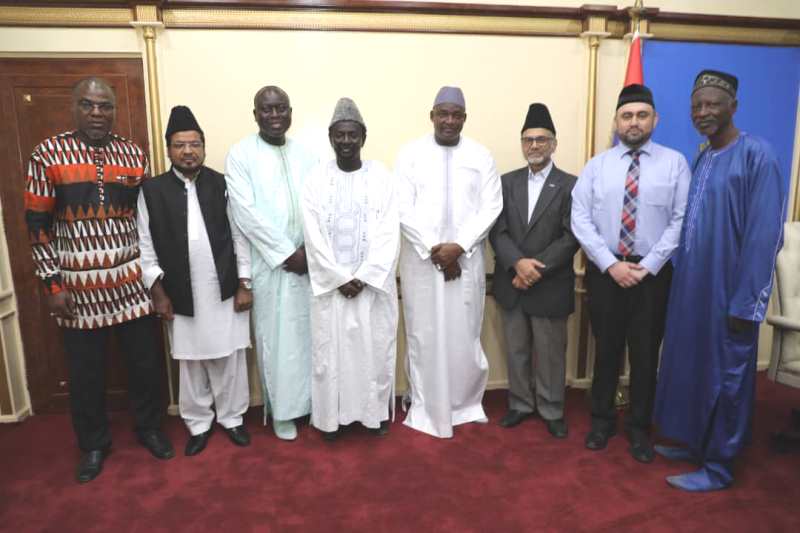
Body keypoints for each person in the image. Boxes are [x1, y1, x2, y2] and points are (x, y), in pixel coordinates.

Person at [23, 77, 173, 483]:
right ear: (75, 108)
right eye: (88, 105)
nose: (96, 113)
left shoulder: (132, 154)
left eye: (104, 106)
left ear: (114, 110)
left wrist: (155, 283)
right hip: (77, 289)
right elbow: (37, 227)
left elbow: (146, 223)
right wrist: (52, 286)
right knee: (86, 373)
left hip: (130, 282)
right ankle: (93, 445)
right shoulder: (47, 153)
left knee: (145, 366)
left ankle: (149, 429)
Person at [653, 70, 788, 491]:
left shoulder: (757, 155)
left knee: (726, 376)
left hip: (731, 293)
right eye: (697, 106)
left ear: (734, 106)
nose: (703, 112)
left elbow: (765, 235)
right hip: (694, 288)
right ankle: (696, 443)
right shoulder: (704, 155)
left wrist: (747, 302)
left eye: (712, 104)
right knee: (694, 369)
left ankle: (719, 466)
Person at [571, 84, 690, 463]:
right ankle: (602, 421)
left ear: (655, 119)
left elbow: (681, 220)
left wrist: (649, 265)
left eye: (641, 115)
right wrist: (611, 264)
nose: (634, 122)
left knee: (644, 353)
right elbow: (581, 219)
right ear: (616, 122)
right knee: (606, 351)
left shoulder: (675, 164)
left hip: (652, 276)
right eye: (627, 115)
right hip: (607, 271)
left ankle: (640, 427)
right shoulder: (597, 166)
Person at [138, 106, 253, 456]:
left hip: (224, 285)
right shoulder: (152, 191)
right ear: (168, 149)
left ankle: (232, 418)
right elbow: (144, 244)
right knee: (191, 361)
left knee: (230, 357)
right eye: (179, 145)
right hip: (179, 291)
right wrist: (157, 291)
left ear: (203, 147)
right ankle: (199, 423)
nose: (188, 151)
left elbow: (240, 235)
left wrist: (245, 282)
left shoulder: (222, 184)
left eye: (194, 144)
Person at [396, 86, 502, 438]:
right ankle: (426, 405)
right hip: (423, 265)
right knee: (424, 334)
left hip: (466, 263)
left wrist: (459, 246)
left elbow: (491, 206)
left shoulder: (481, 155)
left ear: (464, 119)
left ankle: (465, 404)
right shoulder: (410, 154)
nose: (449, 120)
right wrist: (434, 249)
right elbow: (402, 208)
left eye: (456, 115)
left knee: (464, 334)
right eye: (443, 113)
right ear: (432, 116)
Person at [302, 98, 399, 441]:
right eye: (340, 135)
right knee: (330, 355)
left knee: (374, 350)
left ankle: (373, 416)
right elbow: (311, 234)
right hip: (332, 290)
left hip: (370, 288)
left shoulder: (382, 176)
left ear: (363, 137)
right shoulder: (315, 178)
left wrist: (365, 275)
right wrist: (340, 277)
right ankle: (331, 418)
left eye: (352, 135)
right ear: (330, 137)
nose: (346, 141)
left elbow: (390, 231)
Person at [225, 86, 317, 441]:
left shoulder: (307, 154)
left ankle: (309, 404)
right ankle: (282, 411)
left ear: (290, 112)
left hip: (308, 263)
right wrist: (284, 252)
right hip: (271, 264)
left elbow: (318, 205)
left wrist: (310, 252)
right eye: (267, 109)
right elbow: (245, 213)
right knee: (276, 340)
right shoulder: (241, 154)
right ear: (255, 114)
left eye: (281, 108)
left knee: (309, 337)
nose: (275, 115)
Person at [490, 103, 578, 438]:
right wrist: (517, 264)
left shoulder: (570, 184)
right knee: (516, 350)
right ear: (522, 144)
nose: (534, 146)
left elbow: (572, 236)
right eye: (528, 140)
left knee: (551, 352)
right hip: (512, 282)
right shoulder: (505, 183)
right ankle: (520, 404)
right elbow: (497, 230)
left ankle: (552, 408)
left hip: (549, 283)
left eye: (541, 139)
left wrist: (533, 268)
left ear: (554, 144)